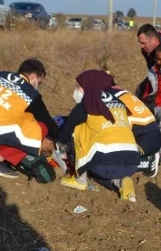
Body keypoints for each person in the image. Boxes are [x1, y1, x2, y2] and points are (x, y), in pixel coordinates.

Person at [57, 70, 141, 201]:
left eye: (78, 87)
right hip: (132, 162)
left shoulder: (87, 105)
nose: (76, 90)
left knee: (79, 128)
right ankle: (120, 182)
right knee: (96, 172)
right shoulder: (119, 103)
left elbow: (65, 134)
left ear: (90, 86)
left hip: (105, 163)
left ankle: (80, 179)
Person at [111, 80, 161, 178]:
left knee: (113, 163)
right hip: (151, 133)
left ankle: (147, 162)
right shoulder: (124, 93)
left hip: (144, 137)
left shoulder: (110, 99)